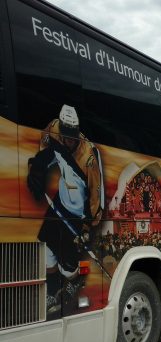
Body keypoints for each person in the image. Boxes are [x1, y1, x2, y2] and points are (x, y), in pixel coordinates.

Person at [27, 104, 104, 318]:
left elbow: (96, 193)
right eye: (65, 136)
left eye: (72, 137)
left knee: (68, 267)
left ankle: (75, 280)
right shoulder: (54, 130)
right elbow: (46, 149)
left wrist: (89, 226)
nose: (68, 141)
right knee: (48, 250)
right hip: (60, 203)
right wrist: (38, 170)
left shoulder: (88, 156)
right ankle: (52, 291)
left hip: (79, 214)